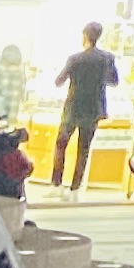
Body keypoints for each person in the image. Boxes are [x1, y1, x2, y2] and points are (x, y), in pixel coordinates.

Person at [52, 25, 119, 192]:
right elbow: (114, 81)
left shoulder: (75, 59)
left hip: (73, 107)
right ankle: (75, 186)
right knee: (84, 149)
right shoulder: (107, 58)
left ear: (84, 36)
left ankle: (56, 183)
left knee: (61, 144)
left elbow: (59, 81)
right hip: (93, 108)